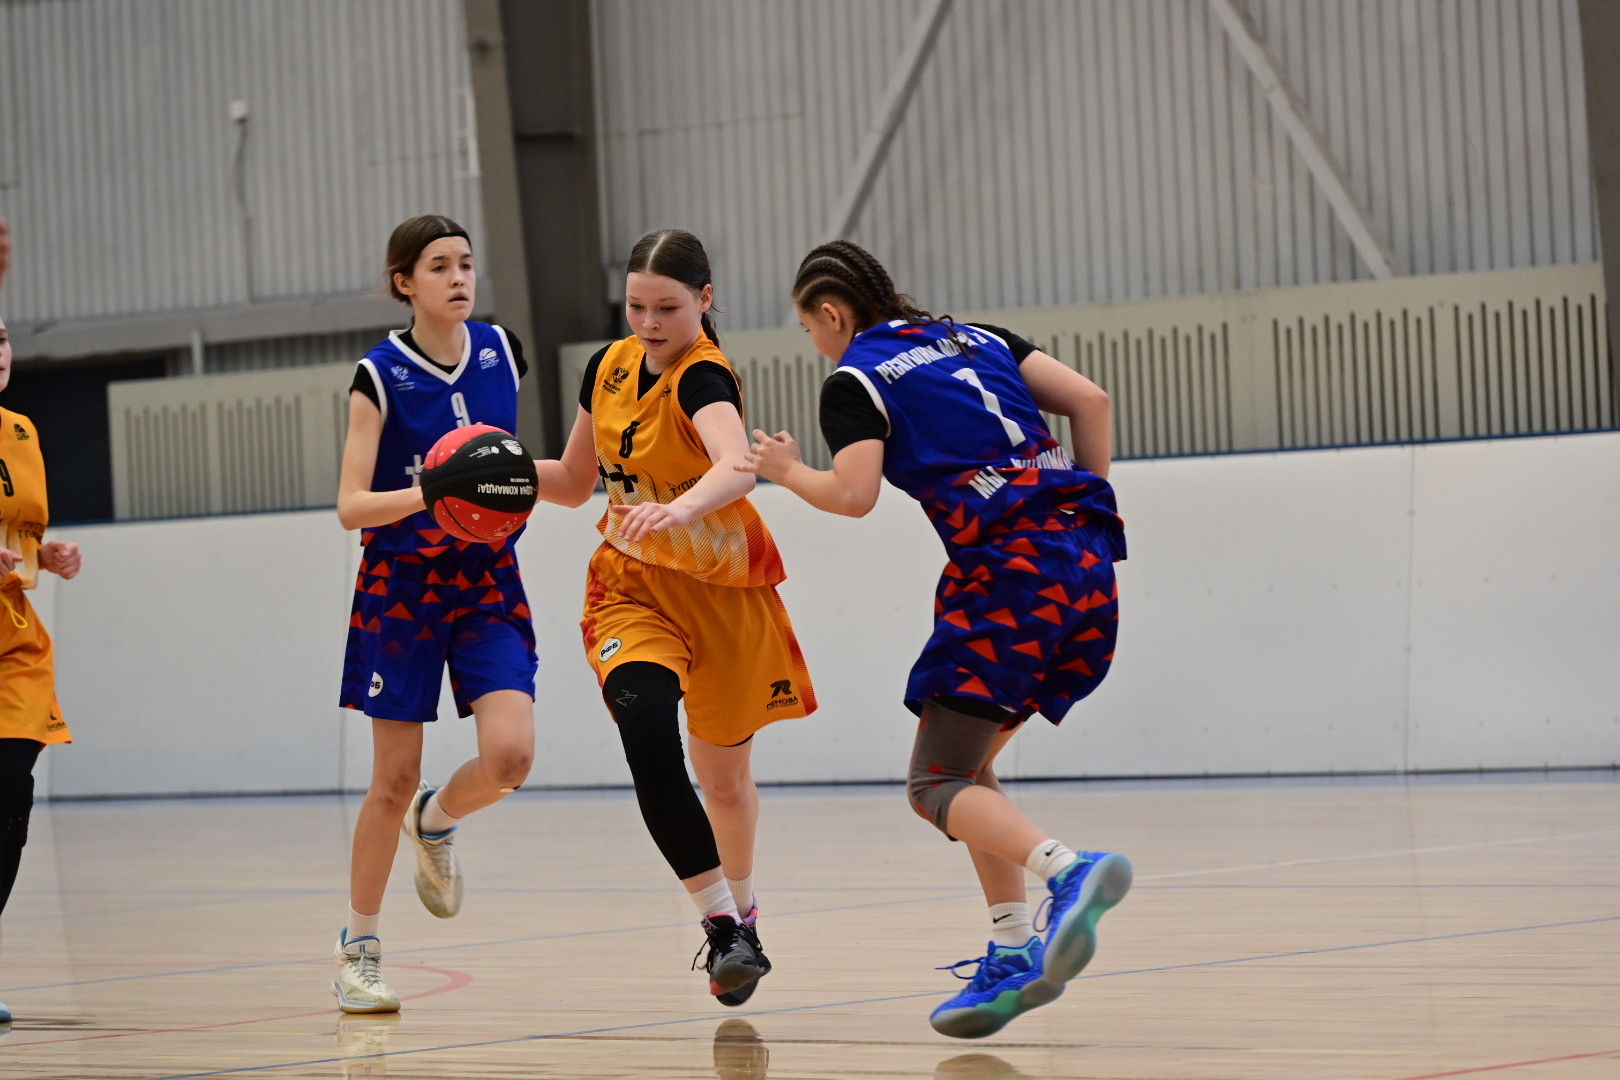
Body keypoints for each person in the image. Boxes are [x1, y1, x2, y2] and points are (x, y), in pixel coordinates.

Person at [740, 240, 1132, 1038]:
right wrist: (1086, 506)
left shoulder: (856, 377)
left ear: (832, 313)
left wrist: (785, 470)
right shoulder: (979, 337)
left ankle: (1069, 872)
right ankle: (1012, 950)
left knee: (934, 783)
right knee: (971, 767)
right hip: (1089, 565)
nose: (815, 345)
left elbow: (853, 496)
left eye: (809, 329)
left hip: (1010, 577)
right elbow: (1090, 400)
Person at [533, 228, 815, 1005]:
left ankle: (745, 915)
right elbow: (572, 482)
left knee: (723, 783)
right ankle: (721, 926)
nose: (649, 323)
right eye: (636, 306)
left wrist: (682, 508)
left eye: (667, 307)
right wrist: (492, 474)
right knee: (650, 740)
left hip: (723, 594)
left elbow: (738, 467)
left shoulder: (703, 378)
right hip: (631, 588)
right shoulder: (607, 367)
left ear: (704, 300)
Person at [331, 214, 538, 1013]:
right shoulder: (380, 374)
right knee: (391, 777)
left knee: (511, 756)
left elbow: (517, 467)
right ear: (404, 282)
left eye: (466, 264)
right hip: (404, 585)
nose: (458, 278)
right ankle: (358, 949)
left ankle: (438, 820)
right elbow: (352, 506)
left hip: (486, 577)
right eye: (440, 266)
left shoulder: (500, 352)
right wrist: (434, 490)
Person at [0, 308, 83, 1028]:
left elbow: (19, 534)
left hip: (14, 645)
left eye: (0, 338)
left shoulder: (21, 431)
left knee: (9, 799)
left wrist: (44, 555)